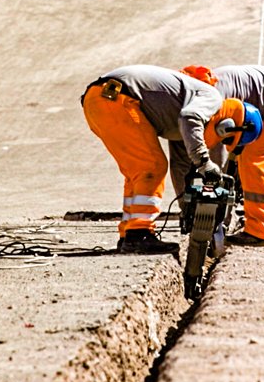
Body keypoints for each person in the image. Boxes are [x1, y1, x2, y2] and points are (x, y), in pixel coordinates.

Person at [82, 65, 245, 255]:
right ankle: (139, 234)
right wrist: (204, 162)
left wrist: (189, 207)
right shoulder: (212, 98)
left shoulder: (180, 107)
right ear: (229, 124)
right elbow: (190, 117)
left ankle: (129, 232)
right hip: (117, 99)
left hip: (100, 98)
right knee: (152, 166)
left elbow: (181, 162)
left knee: (136, 173)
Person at [178, 64, 264, 247]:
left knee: (254, 160)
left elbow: (216, 149)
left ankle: (260, 232)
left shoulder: (214, 99)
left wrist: (210, 176)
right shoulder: (208, 84)